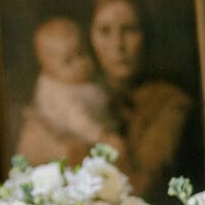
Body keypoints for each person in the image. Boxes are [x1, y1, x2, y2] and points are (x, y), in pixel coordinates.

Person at [86, 0, 192, 197]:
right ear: (90, 37)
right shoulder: (74, 97)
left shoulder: (170, 102)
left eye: (129, 30)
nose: (118, 44)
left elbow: (141, 186)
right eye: (105, 31)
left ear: (146, 35)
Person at [16, 16, 126, 167]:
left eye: (81, 53)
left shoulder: (79, 80)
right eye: (68, 61)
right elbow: (79, 122)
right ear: (49, 69)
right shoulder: (62, 94)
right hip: (75, 140)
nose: (80, 63)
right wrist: (103, 135)